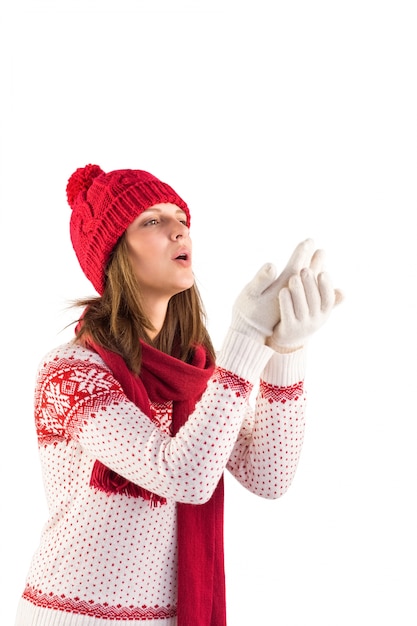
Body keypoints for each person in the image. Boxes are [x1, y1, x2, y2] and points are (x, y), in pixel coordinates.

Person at [14, 164, 342, 626]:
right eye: (152, 221)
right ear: (113, 255)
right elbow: (182, 474)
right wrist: (246, 338)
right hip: (72, 616)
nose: (178, 231)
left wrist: (284, 350)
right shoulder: (70, 371)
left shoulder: (195, 374)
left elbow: (269, 475)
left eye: (180, 219)